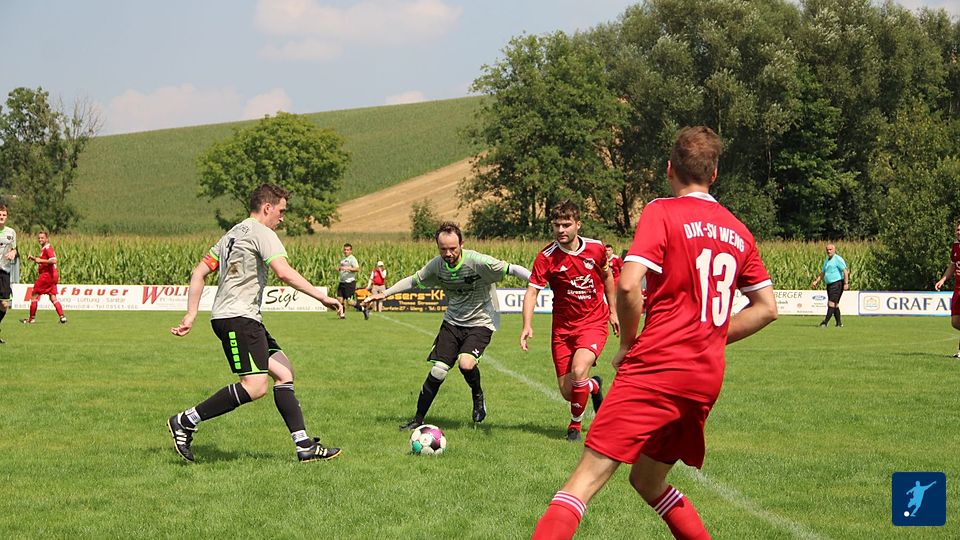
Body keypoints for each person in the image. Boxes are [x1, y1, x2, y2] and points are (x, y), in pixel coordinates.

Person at [531, 126, 777, 540]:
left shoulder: (662, 212)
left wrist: (628, 344)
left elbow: (629, 285)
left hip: (657, 368)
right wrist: (711, 336)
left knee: (582, 483)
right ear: (714, 173)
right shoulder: (739, 231)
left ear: (669, 170)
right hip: (704, 378)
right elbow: (767, 308)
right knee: (647, 480)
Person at [166, 184, 345, 463]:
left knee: (284, 372)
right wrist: (322, 297)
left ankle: (304, 446)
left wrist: (191, 314)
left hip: (242, 317)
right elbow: (283, 272)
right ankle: (185, 420)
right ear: (267, 207)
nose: (282, 217)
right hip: (238, 319)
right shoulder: (263, 233)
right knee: (255, 386)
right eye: (281, 211)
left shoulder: (231, 234)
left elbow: (198, 272)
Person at [364, 222, 531, 430]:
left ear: (462, 244)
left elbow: (512, 269)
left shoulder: (477, 261)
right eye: (443, 249)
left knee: (466, 364)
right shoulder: (437, 265)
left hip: (481, 321)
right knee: (438, 371)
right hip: (452, 322)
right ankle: (417, 420)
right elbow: (413, 280)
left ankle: (477, 395)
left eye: (453, 248)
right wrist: (384, 294)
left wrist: (536, 282)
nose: (448, 253)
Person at [521, 201, 619, 442]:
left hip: (593, 322)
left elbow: (607, 277)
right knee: (569, 391)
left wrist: (613, 311)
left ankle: (575, 426)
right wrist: (527, 325)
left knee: (579, 370)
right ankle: (594, 386)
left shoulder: (596, 248)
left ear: (578, 225)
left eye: (566, 225)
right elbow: (532, 292)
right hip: (562, 329)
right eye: (557, 225)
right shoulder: (546, 257)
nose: (561, 230)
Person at [21, 231, 66, 324]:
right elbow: (45, 261)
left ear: (47, 239)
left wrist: (40, 260)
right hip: (53, 275)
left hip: (47, 276)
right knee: (53, 297)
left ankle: (31, 319)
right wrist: (34, 258)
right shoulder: (45, 248)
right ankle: (62, 317)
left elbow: (54, 260)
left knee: (34, 295)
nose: (40, 239)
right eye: (39, 238)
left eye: (42, 238)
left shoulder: (47, 248)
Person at [934, 222, 960, 357]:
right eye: (957, 229)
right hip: (958, 288)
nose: (958, 232)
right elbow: (953, 265)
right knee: (955, 322)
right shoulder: (956, 245)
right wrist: (943, 280)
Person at [811, 243, 849, 328]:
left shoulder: (837, 259)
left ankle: (825, 322)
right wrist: (816, 281)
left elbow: (845, 271)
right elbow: (823, 273)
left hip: (837, 283)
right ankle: (839, 323)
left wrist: (846, 283)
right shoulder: (827, 261)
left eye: (830, 249)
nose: (828, 251)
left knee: (831, 303)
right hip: (830, 284)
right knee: (835, 304)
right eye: (827, 250)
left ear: (834, 250)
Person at [336, 243, 369, 320]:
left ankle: (364, 309)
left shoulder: (352, 259)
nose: (346, 251)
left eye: (347, 250)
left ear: (351, 251)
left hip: (349, 283)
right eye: (345, 250)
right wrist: (339, 269)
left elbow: (357, 269)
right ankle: (342, 315)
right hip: (342, 282)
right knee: (339, 300)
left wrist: (347, 268)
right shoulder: (342, 259)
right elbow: (342, 268)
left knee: (350, 302)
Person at [0, 205, 17, 343]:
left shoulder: (11, 232)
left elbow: (15, 249)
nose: (1, 217)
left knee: (4, 304)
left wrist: (13, 252)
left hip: (4, 271)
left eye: (4, 215)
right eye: (0, 214)